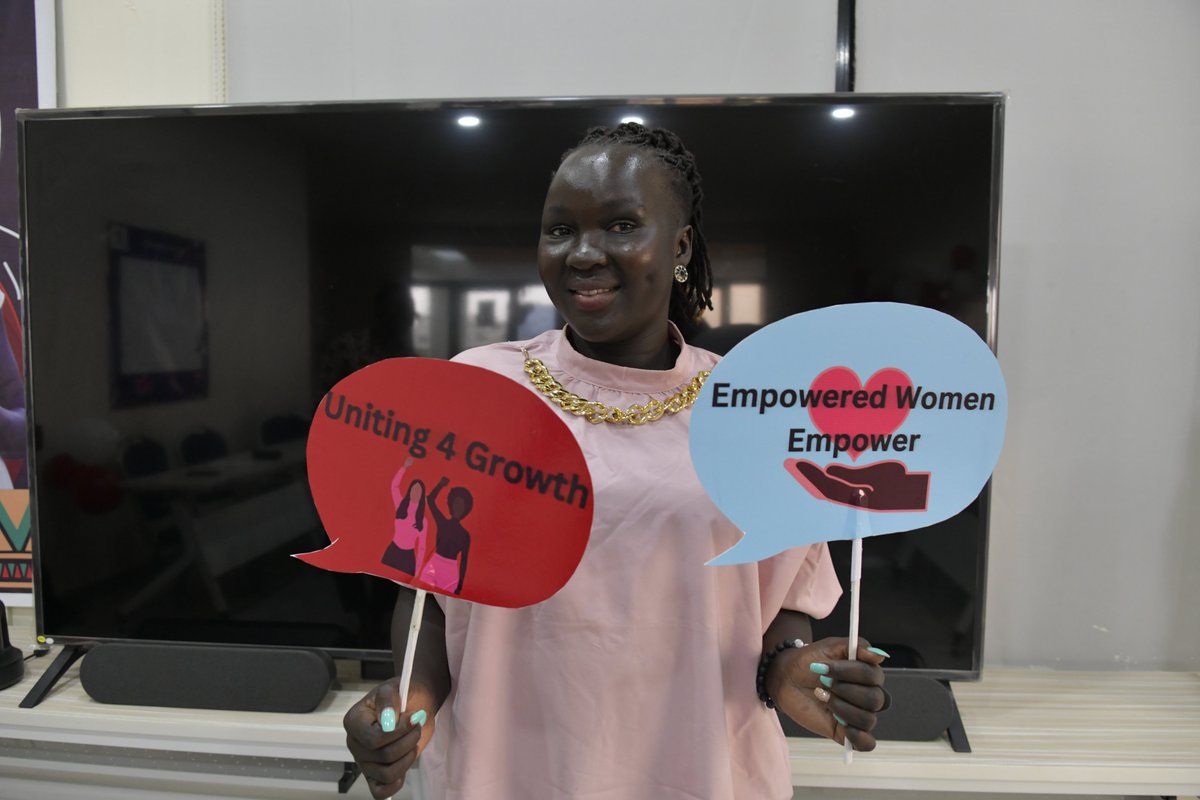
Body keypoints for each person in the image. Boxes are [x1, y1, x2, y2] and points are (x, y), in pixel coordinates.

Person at [343, 123, 887, 800]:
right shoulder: (475, 389)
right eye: (560, 230)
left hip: (698, 773)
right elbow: (426, 594)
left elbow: (774, 608)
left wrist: (790, 670)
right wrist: (410, 698)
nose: (582, 253)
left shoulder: (755, 410)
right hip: (507, 773)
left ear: (680, 245)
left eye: (622, 225)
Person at [418, 477, 472, 595]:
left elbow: (464, 561)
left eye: (461, 505)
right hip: (433, 565)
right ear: (451, 504)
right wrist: (441, 484)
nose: (458, 507)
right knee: (421, 595)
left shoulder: (465, 535)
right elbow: (430, 500)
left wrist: (460, 586)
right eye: (456, 503)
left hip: (450, 573)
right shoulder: (442, 523)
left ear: (466, 509)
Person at [381, 457, 429, 577]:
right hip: (393, 551)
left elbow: (422, 547)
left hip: (408, 558)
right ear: (409, 491)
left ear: (422, 495)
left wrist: (418, 570)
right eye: (414, 489)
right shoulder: (400, 505)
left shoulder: (423, 521)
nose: (415, 492)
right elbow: (394, 486)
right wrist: (404, 468)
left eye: (418, 491)